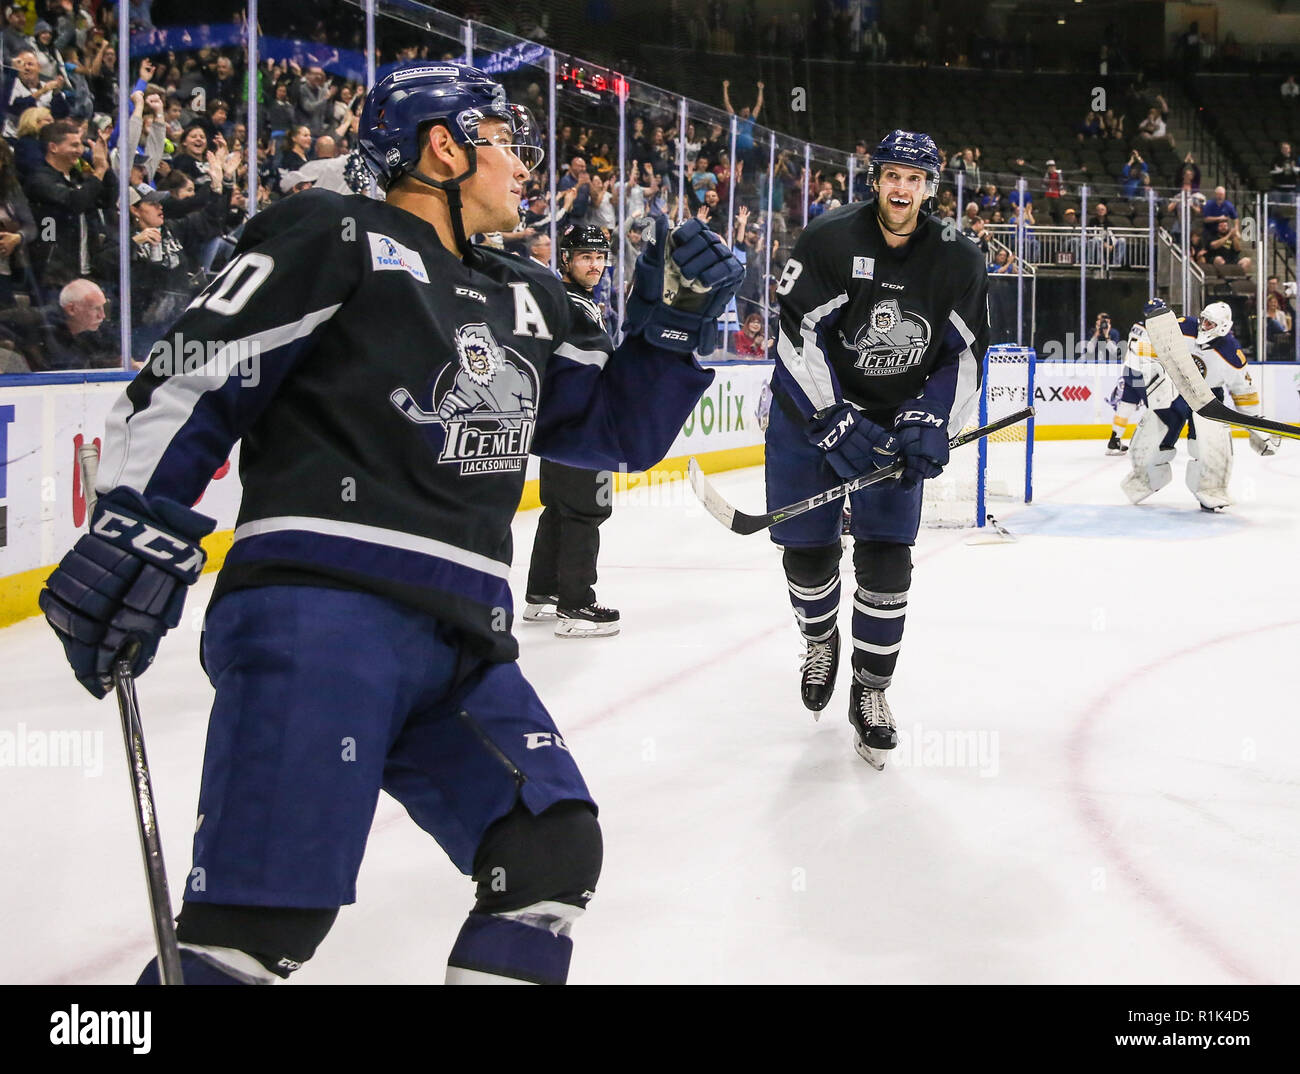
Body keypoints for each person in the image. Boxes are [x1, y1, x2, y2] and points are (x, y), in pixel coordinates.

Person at [38, 62, 742, 986]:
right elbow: (197, 375)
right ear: (442, 147)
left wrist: (676, 329)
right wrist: (138, 524)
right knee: (258, 930)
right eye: (502, 140)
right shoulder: (333, 234)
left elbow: (615, 433)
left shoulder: (530, 294)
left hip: (462, 641)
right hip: (321, 613)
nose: (527, 165)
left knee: (548, 853)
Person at [765, 129, 988, 769]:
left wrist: (931, 419)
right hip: (807, 412)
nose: (901, 188)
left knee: (888, 559)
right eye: (893, 175)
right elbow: (796, 332)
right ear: (876, 178)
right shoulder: (830, 238)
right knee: (807, 552)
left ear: (930, 186)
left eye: (914, 179)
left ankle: (871, 689)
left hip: (893, 421)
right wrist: (830, 417)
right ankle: (820, 638)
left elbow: (966, 355)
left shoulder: (958, 258)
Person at [523, 224, 620, 637]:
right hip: (580, 426)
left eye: (599, 257)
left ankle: (541, 593)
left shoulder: (569, 298)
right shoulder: (572, 304)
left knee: (559, 508)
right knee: (584, 510)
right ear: (565, 259)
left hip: (558, 425)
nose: (595, 264)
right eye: (585, 257)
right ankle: (577, 604)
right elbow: (601, 362)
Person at [1121, 303, 1279, 511]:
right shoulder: (1183, 326)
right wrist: (1149, 369)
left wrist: (1258, 426)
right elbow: (1149, 346)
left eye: (1210, 322)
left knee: (1211, 446)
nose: (1203, 325)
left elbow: (1244, 392)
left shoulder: (1232, 353)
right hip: (1175, 390)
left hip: (1209, 399)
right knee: (1151, 437)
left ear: (1222, 327)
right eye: (1203, 318)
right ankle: (1144, 479)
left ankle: (1210, 490)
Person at [1106, 318, 1151, 455]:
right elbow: (1151, 352)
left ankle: (1114, 441)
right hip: (1142, 372)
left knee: (1126, 405)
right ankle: (1148, 442)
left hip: (1129, 369)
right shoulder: (1153, 328)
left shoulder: (1137, 325)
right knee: (1156, 407)